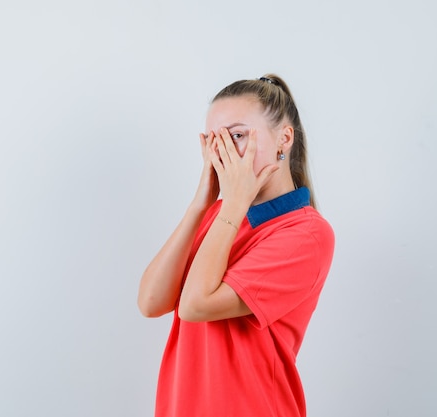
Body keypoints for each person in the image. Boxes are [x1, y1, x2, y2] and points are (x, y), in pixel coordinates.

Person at [137, 74, 335, 417]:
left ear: (284, 139)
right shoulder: (219, 216)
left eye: (238, 136)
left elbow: (195, 305)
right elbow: (151, 302)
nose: (225, 153)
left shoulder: (307, 233)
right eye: (215, 141)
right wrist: (201, 204)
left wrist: (231, 205)